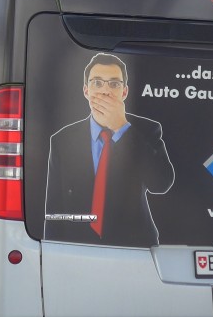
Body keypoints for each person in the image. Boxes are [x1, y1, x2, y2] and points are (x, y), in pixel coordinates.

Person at [44, 53, 175, 247]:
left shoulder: (147, 130)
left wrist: (121, 127)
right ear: (86, 90)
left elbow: (161, 184)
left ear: (124, 92)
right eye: (97, 83)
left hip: (134, 246)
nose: (105, 91)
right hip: (77, 246)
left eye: (114, 84)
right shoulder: (62, 140)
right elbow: (55, 208)